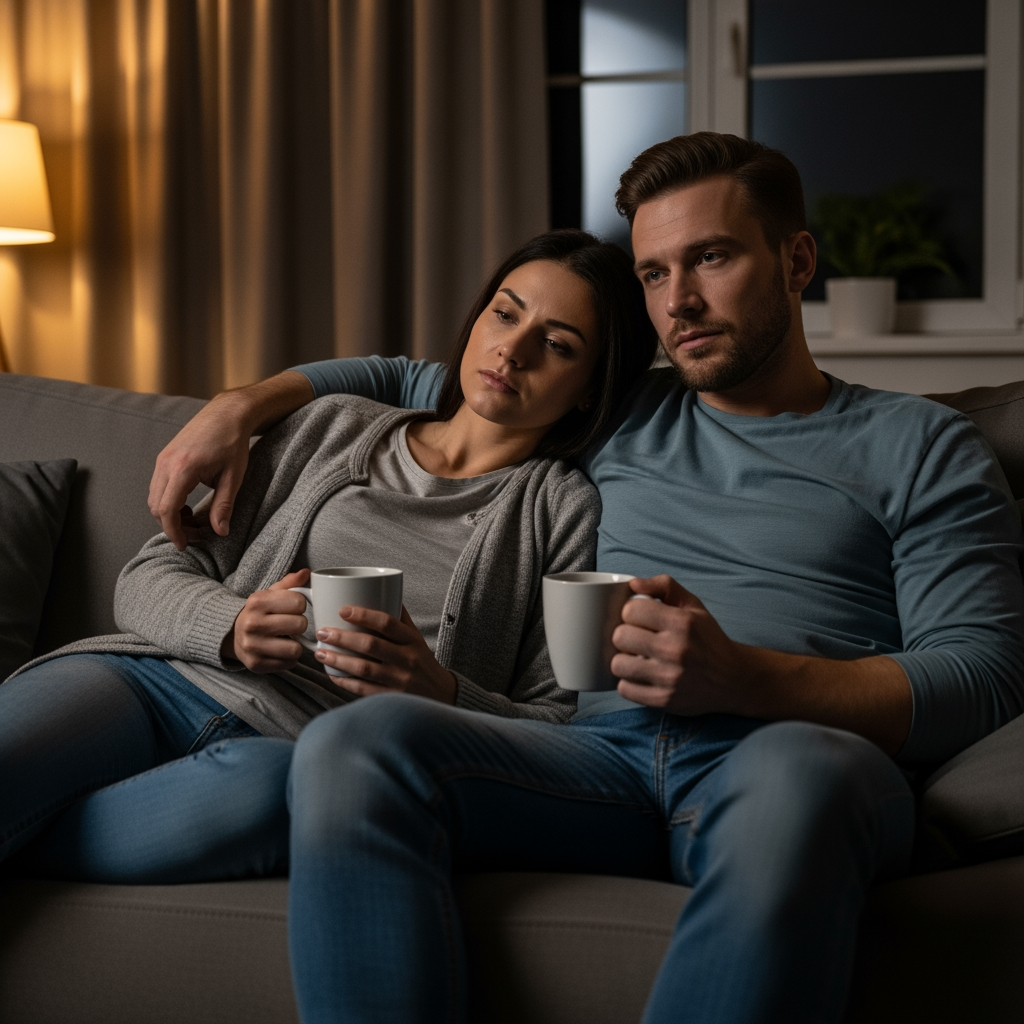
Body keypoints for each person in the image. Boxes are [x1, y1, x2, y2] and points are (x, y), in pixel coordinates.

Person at [147, 134, 1024, 1024]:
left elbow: (987, 674)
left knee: (802, 772)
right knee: (356, 743)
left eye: (710, 258)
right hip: (593, 761)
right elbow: (414, 378)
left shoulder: (922, 445)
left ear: (796, 259)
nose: (677, 302)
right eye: (652, 274)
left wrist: (745, 677)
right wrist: (238, 406)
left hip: (784, 753)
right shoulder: (616, 406)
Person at [0, 229, 656, 885]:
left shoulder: (565, 513)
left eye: (558, 344)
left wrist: (443, 692)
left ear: (590, 389)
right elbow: (148, 574)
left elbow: (562, 726)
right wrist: (230, 626)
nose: (512, 351)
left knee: (274, 792)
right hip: (152, 684)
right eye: (505, 314)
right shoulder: (332, 425)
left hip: (292, 753)